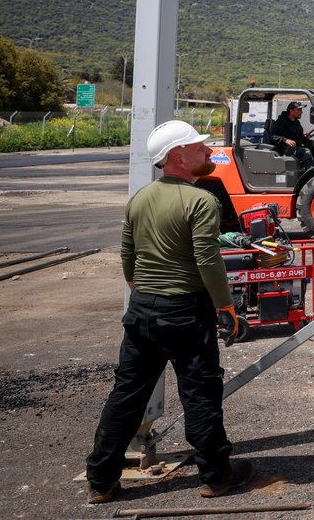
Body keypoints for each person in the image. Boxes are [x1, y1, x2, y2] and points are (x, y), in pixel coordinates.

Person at [86, 120, 255, 505]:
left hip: (143, 309)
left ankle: (100, 481)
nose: (208, 152)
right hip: (186, 311)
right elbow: (207, 259)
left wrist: (144, 295)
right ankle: (216, 477)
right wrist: (225, 306)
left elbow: (128, 255)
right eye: (199, 148)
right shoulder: (201, 201)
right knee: (200, 393)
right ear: (178, 157)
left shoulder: (140, 199)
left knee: (127, 395)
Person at [268, 100, 314, 170]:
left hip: (294, 148)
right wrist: (285, 140)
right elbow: (272, 136)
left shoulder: (296, 123)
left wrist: (313, 143)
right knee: (305, 151)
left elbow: (302, 138)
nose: (301, 112)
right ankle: (309, 173)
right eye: (299, 110)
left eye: (301, 110)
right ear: (291, 111)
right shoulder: (280, 122)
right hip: (283, 149)